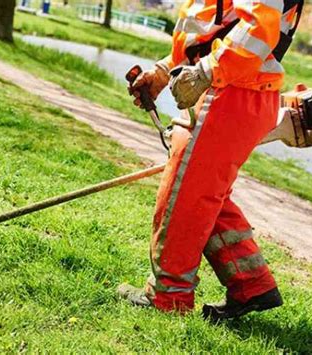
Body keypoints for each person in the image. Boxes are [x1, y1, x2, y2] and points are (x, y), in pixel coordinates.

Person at [119, 0, 301, 321]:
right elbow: (210, 27)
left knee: (185, 197)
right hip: (232, 85)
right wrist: (165, 71)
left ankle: (168, 296)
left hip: (232, 88)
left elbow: (258, 27)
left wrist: (206, 71)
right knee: (201, 189)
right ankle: (251, 282)